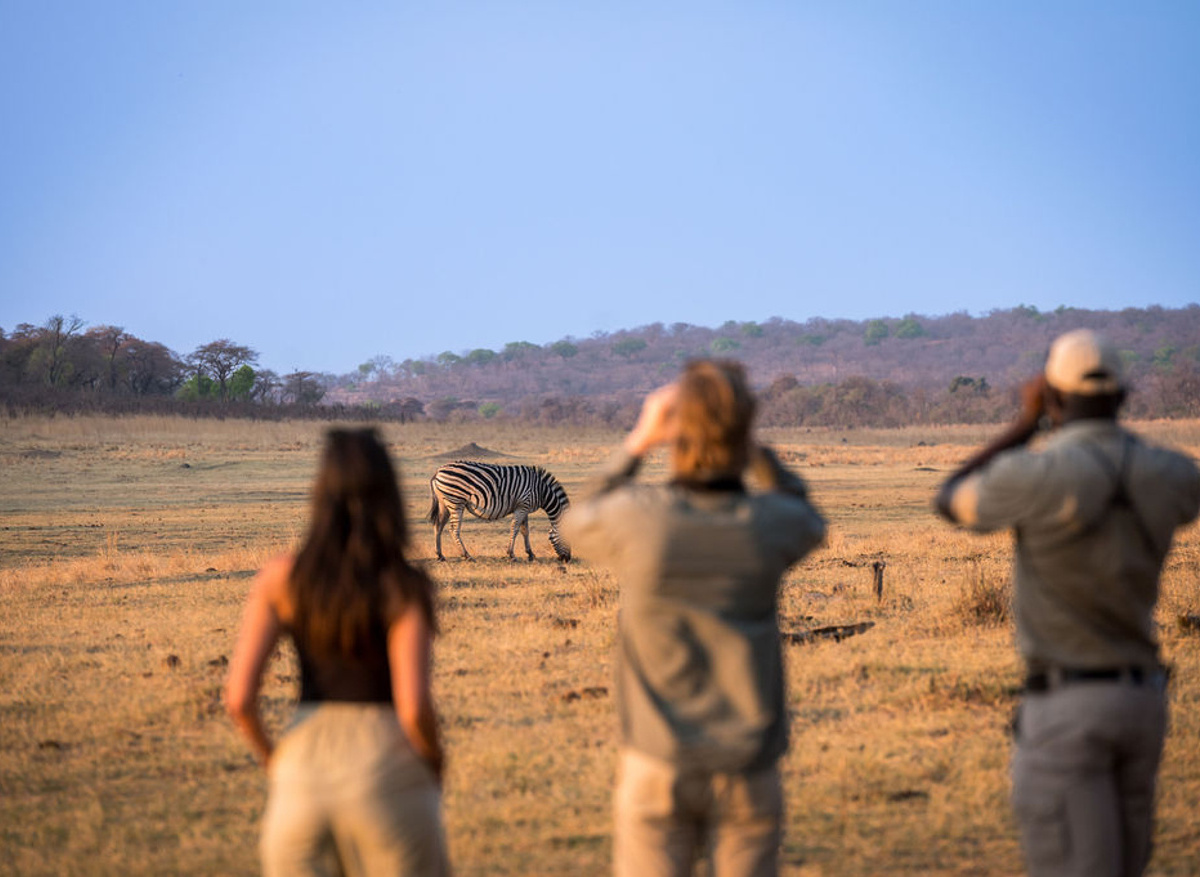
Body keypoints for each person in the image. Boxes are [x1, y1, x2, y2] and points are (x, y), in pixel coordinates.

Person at [935, 329, 1200, 877]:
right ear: (1125, 397)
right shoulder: (1171, 474)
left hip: (1066, 704)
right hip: (1143, 702)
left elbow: (949, 499)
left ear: (1052, 396)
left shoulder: (1038, 475)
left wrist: (1022, 426)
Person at [562, 359, 827, 877]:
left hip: (657, 759)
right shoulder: (770, 523)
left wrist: (638, 441)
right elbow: (808, 517)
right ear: (745, 430)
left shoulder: (639, 519)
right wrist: (755, 453)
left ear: (674, 432)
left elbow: (573, 521)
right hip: (749, 765)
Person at [225, 428, 449, 877]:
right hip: (388, 770)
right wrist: (433, 764)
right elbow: (412, 707)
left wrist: (279, 765)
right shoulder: (404, 586)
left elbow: (239, 701)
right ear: (389, 494)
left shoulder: (279, 578)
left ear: (320, 492)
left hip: (302, 776)